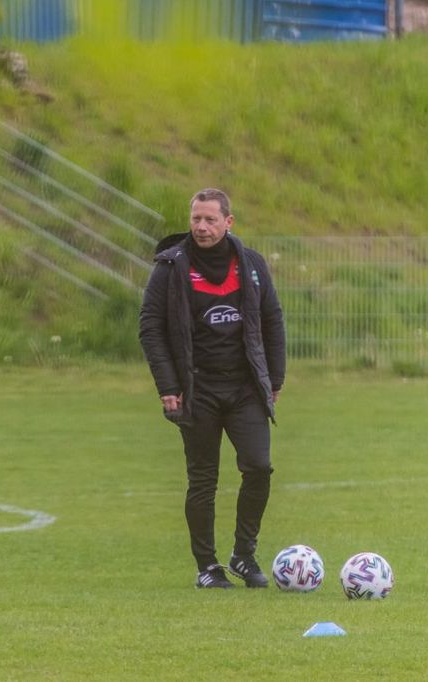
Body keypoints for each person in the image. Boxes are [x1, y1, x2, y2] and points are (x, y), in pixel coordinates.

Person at [139, 188, 286, 589]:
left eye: (209, 219)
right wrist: (168, 386)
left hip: (245, 390)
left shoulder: (251, 265)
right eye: (196, 219)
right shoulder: (171, 268)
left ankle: (243, 554)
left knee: (259, 467)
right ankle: (207, 566)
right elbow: (150, 329)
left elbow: (272, 321)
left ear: (228, 222)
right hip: (196, 389)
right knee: (202, 480)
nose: (201, 227)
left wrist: (274, 380)